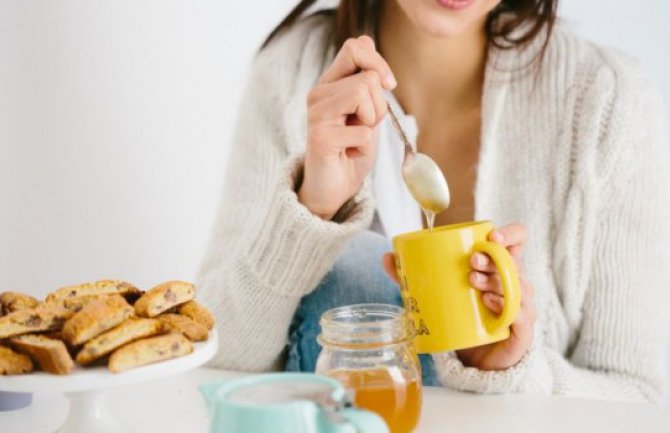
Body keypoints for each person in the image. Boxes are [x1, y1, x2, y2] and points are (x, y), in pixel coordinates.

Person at [198, 0, 670, 402]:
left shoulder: (607, 101)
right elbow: (219, 353)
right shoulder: (292, 71)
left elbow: (640, 401)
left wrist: (506, 371)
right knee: (359, 274)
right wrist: (310, 209)